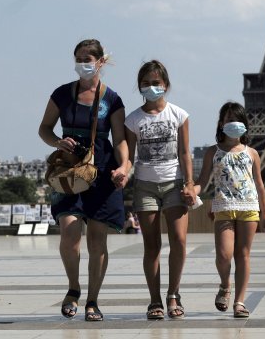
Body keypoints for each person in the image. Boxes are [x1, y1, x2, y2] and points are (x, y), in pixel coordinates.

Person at [38, 39, 131, 322]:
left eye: (88, 58)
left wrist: (124, 166)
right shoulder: (62, 94)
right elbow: (44, 128)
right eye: (78, 58)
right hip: (70, 170)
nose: (83, 64)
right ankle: (74, 288)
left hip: (102, 170)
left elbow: (120, 140)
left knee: (97, 239)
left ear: (101, 61)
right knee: (69, 232)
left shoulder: (112, 99)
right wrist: (57, 141)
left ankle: (93, 300)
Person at [124, 60, 195, 320]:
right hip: (144, 185)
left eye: (156, 83)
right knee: (151, 245)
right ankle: (154, 299)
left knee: (179, 240)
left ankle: (173, 294)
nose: (151, 87)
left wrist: (189, 182)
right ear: (139, 86)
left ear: (165, 84)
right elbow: (130, 156)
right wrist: (123, 170)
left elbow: (185, 152)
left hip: (174, 183)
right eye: (146, 83)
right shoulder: (133, 119)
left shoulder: (179, 115)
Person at [194, 102, 265, 319]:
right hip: (224, 207)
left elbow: (259, 184)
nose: (233, 124)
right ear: (221, 123)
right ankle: (225, 284)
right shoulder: (213, 151)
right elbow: (203, 180)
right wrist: (193, 190)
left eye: (237, 120)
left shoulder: (252, 153)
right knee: (223, 255)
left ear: (244, 124)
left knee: (243, 255)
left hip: (249, 207)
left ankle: (239, 301)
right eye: (229, 120)